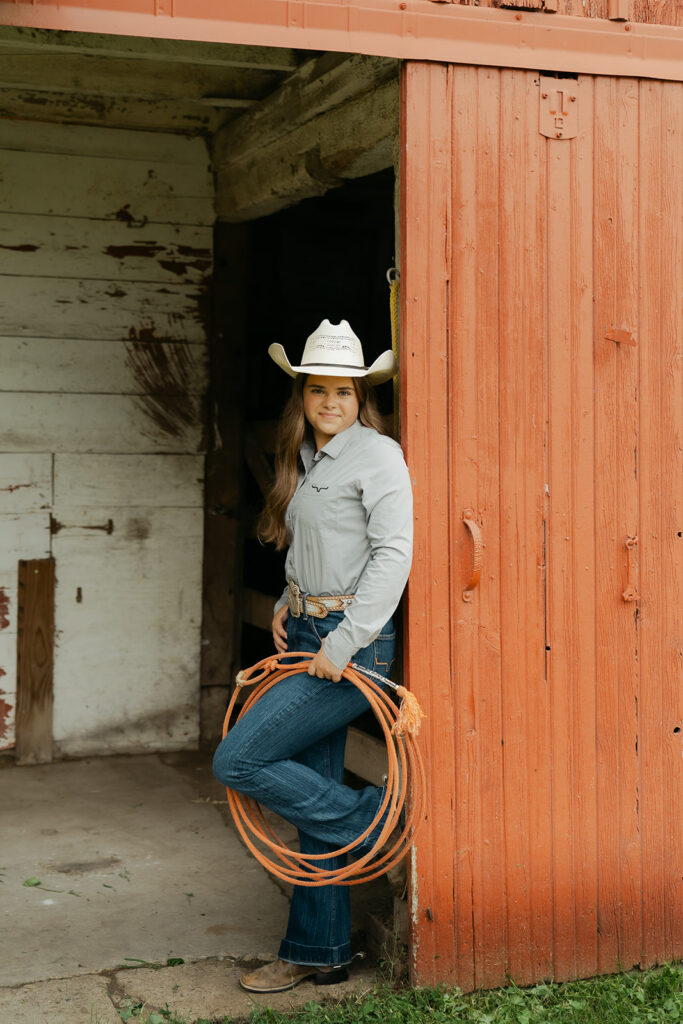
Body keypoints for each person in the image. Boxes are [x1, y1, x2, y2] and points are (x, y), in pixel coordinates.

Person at [212, 318, 413, 994]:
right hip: (304, 633)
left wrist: (342, 641)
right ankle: (318, 952)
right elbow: (313, 548)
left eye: (344, 392)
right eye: (318, 390)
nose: (331, 402)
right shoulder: (304, 457)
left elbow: (392, 556)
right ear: (302, 396)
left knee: (240, 758)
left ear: (363, 399)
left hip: (349, 648)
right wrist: (284, 605)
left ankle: (371, 822)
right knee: (309, 801)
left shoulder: (378, 456)